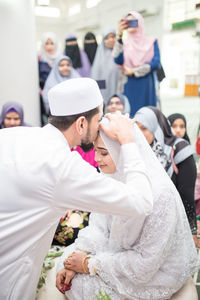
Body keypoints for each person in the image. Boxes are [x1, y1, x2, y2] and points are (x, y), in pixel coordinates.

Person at [0, 78, 153, 300]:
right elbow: (141, 201)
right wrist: (128, 141)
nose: (101, 125)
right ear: (81, 124)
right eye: (98, 119)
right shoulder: (63, 167)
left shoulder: (13, 135)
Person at [56, 119, 199, 300]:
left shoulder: (161, 195)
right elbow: (99, 228)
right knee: (65, 261)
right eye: (95, 150)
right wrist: (79, 256)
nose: (96, 159)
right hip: (118, 255)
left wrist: (88, 264)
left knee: (82, 286)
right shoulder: (112, 178)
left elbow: (146, 264)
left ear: (122, 152)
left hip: (154, 273)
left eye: (103, 152)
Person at [134, 106, 198, 241]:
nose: (139, 133)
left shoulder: (181, 150)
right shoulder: (137, 151)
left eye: (144, 128)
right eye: (136, 128)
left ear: (156, 128)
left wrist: (191, 230)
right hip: (145, 227)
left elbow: (187, 194)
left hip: (175, 225)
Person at [112, 11, 161, 117]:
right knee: (131, 115)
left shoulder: (151, 41)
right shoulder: (124, 43)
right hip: (130, 84)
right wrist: (119, 35)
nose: (129, 24)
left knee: (148, 115)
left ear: (140, 22)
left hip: (147, 84)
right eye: (127, 21)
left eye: (133, 21)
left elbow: (156, 63)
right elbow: (117, 60)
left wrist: (134, 71)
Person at [91, 29, 120, 105]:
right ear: (103, 41)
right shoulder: (99, 57)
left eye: (113, 37)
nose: (111, 40)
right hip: (106, 91)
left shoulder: (123, 53)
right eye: (107, 38)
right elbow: (97, 76)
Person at [38, 32, 60, 124]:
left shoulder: (61, 58)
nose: (49, 46)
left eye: (52, 43)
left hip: (59, 95)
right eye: (46, 43)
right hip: (44, 96)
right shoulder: (39, 60)